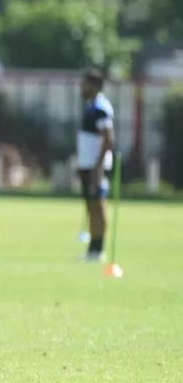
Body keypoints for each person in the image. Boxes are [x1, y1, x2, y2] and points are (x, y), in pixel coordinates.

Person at [77, 69, 115, 262]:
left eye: (84, 83)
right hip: (88, 165)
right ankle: (93, 249)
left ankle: (98, 250)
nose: (81, 87)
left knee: (98, 206)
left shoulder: (100, 107)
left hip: (95, 166)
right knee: (91, 206)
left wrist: (98, 166)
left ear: (93, 85)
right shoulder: (90, 106)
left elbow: (108, 138)